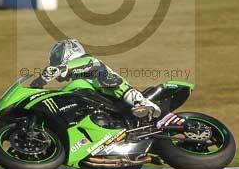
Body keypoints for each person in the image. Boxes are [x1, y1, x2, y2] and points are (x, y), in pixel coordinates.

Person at [30, 39, 161, 119]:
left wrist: (46, 77)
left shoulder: (87, 60)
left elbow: (85, 64)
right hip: (106, 104)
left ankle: (142, 103)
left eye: (57, 57)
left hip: (116, 93)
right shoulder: (77, 78)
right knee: (69, 90)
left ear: (68, 52)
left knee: (105, 80)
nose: (55, 61)